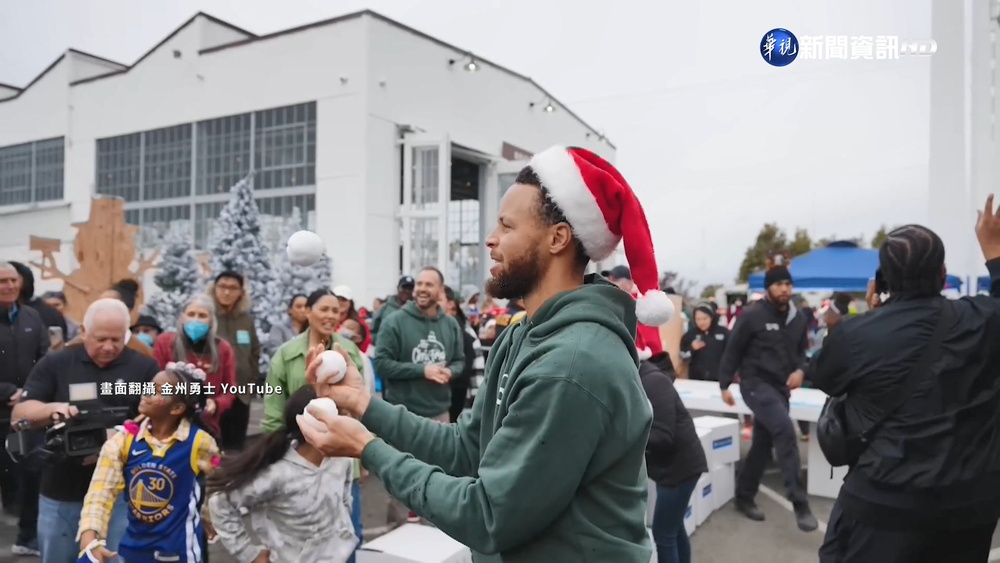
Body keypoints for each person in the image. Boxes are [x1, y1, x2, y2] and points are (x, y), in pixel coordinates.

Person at [296, 145, 675, 561]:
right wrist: (362, 402)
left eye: (507, 227)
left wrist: (368, 448)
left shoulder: (572, 364)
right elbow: (467, 448)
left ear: (557, 238)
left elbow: (489, 514)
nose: (491, 241)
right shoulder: (521, 336)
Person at [812, 200, 1000, 563]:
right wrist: (993, 252)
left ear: (881, 281)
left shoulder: (854, 335)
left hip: (883, 503)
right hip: (969, 508)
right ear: (943, 274)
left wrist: (874, 316)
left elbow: (826, 378)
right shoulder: (983, 320)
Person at [12, 298, 159, 562]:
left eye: (117, 340)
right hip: (62, 490)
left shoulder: (144, 367)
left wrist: (120, 435)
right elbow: (20, 413)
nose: (109, 347)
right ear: (83, 331)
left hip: (120, 493)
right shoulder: (56, 363)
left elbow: (160, 422)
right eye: (101, 339)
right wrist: (53, 409)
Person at [77, 362, 221, 563]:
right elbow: (101, 492)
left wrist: (209, 519)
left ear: (177, 408)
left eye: (158, 391)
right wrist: (90, 538)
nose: (146, 392)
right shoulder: (123, 441)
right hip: (134, 551)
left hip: (181, 551)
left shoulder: (200, 443)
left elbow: (215, 485)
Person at [717, 262, 817, 532]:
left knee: (763, 443)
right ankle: (799, 502)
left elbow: (802, 354)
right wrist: (724, 384)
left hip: (781, 388)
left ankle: (743, 496)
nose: (784, 289)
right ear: (768, 288)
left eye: (787, 284)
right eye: (778, 284)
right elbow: (733, 349)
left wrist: (800, 370)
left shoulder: (797, 318)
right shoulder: (752, 315)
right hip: (754, 384)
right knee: (785, 429)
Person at [209, 387, 356, 563]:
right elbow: (220, 503)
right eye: (340, 418)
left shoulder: (342, 458)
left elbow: (345, 495)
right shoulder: (278, 474)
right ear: (318, 428)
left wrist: (343, 526)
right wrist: (249, 554)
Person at [373, 266, 465, 524]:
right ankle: (397, 537)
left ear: (440, 291)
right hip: (402, 414)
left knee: (437, 483)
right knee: (400, 481)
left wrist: (449, 371)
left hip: (439, 415)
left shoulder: (450, 325)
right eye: (420, 284)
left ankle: (432, 537)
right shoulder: (395, 321)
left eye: (429, 285)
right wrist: (421, 370)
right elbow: (381, 363)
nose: (422, 289)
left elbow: (459, 361)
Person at [638, 344, 707, 563]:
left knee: (663, 533)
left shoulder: (654, 381)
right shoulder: (644, 379)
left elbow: (663, 436)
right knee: (673, 529)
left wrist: (627, 438)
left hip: (679, 469)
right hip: (670, 468)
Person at [0, 261, 49, 556]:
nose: (8, 286)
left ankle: (27, 537)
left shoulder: (32, 317)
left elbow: (45, 361)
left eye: (12, 280)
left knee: (33, 474)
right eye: (2, 281)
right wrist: (8, 392)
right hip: (2, 407)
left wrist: (30, 393)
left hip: (28, 413)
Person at [152, 295, 237, 437]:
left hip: (205, 425)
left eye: (202, 315)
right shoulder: (165, 343)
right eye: (191, 314)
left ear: (211, 322)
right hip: (167, 422)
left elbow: (230, 389)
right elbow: (153, 383)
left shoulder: (223, 349)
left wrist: (216, 404)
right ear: (182, 318)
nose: (196, 320)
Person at [209, 271, 260, 452]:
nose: (227, 292)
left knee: (236, 448)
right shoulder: (207, 316)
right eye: (222, 287)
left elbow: (254, 351)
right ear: (214, 289)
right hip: (213, 394)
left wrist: (250, 380)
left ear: (241, 292)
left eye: (233, 288)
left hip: (240, 394)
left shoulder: (246, 320)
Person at [440, 285, 481, 423]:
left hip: (460, 408)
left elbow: (474, 376)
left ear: (451, 305)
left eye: (438, 300)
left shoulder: (465, 334)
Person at [679, 301, 728, 381]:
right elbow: (683, 356)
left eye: (704, 319)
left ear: (711, 318)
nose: (701, 322)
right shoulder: (690, 335)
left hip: (719, 379)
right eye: (698, 319)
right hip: (696, 380)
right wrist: (692, 348)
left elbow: (731, 354)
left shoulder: (723, 333)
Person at [370, 276, 414, 345]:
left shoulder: (417, 310)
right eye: (403, 288)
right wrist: (381, 341)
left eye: (410, 289)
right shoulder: (385, 308)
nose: (406, 292)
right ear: (398, 288)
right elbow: (372, 331)